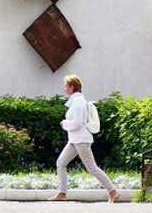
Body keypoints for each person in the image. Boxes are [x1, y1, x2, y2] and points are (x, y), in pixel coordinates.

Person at [48, 74, 120, 202]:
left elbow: (77, 122)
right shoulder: (77, 101)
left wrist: (64, 124)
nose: (64, 89)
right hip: (75, 140)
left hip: (81, 140)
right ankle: (62, 193)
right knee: (61, 163)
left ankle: (113, 191)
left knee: (92, 168)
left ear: (71, 87)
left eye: (66, 86)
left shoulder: (78, 102)